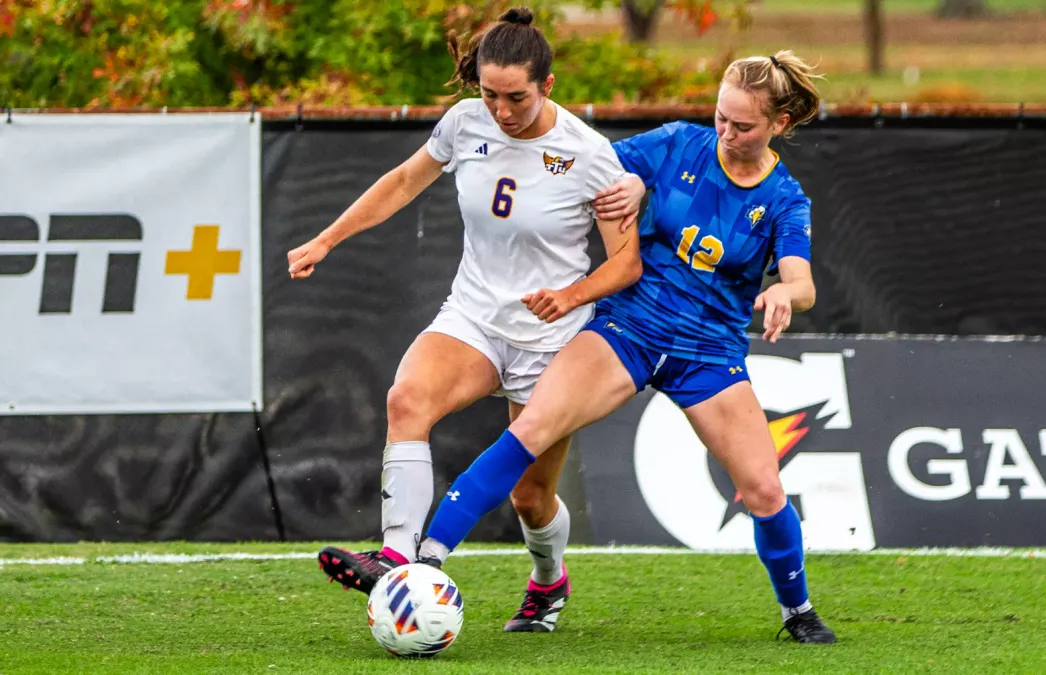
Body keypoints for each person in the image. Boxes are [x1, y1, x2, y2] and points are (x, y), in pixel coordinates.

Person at [413, 50, 837, 644]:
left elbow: (803, 280)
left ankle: (799, 612)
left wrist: (786, 295)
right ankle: (425, 560)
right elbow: (595, 169)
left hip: (708, 353)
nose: (726, 132)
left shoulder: (785, 198)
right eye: (720, 116)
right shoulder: (676, 144)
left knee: (764, 490)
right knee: (529, 434)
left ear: (778, 126)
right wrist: (631, 182)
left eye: (743, 125)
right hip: (627, 329)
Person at [286, 6, 644, 632]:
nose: (501, 111)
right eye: (489, 94)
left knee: (531, 499)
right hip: (474, 317)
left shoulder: (589, 155)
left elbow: (627, 265)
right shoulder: (464, 123)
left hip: (552, 342)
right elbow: (401, 183)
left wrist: (571, 294)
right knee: (407, 399)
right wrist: (326, 239)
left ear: (548, 86)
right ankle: (396, 559)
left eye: (516, 97)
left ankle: (547, 582)